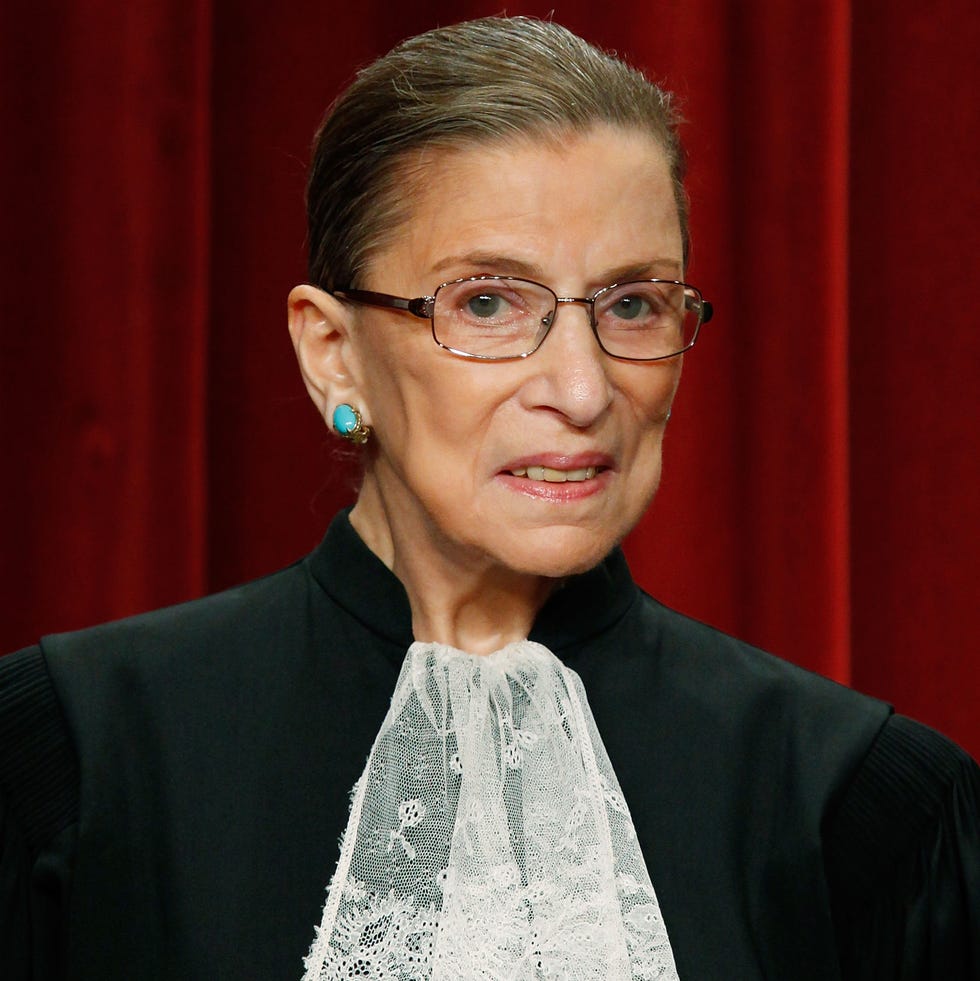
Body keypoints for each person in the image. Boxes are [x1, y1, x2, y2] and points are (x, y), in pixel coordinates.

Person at [1, 15, 977, 981]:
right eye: (485, 302)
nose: (583, 389)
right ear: (333, 355)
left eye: (631, 303)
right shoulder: (74, 759)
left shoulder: (862, 810)